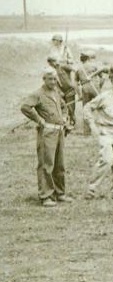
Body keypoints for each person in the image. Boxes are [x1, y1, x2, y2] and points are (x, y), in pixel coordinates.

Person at [20, 69, 71, 206]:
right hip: (47, 133)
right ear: (44, 79)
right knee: (46, 164)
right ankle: (46, 195)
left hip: (59, 132)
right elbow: (25, 107)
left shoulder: (56, 92)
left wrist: (65, 118)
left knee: (60, 164)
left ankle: (60, 193)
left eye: (55, 79)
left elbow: (63, 106)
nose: (53, 82)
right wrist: (40, 120)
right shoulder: (38, 94)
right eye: (50, 79)